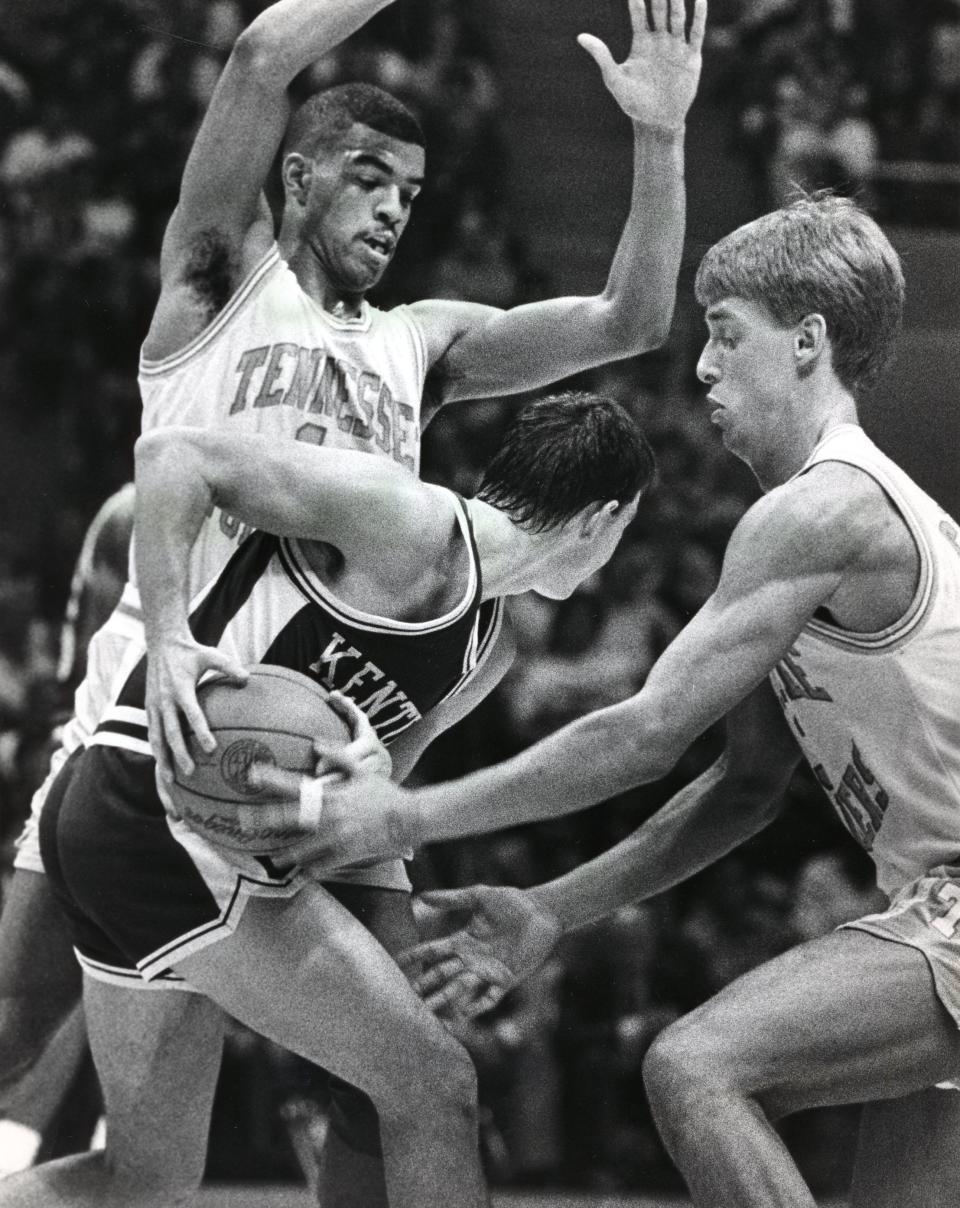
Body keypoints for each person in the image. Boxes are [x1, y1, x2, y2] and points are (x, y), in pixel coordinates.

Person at [0, 0, 705, 1196]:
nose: (392, 208)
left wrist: (660, 135)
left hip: (327, 733)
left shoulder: (418, 347)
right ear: (299, 173)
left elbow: (628, 320)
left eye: (414, 193)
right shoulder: (218, 275)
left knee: (411, 1075)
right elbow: (266, 52)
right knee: (31, 1060)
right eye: (370, 177)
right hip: (166, 695)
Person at [282, 193, 960, 1208]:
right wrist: (552, 910)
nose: (702, 368)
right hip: (927, 902)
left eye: (728, 337)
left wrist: (408, 812)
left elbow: (644, 732)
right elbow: (742, 788)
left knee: (698, 1066)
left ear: (809, 341)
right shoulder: (834, 522)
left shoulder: (821, 509)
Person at [0, 389, 655, 1208]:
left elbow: (379, 796)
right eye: (625, 533)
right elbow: (174, 457)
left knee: (144, 1180)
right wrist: (169, 635)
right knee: (435, 1085)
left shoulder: (491, 645)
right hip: (154, 803)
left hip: (168, 837)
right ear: (601, 519)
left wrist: (368, 814)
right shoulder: (406, 518)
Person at [0, 484, 132, 1176]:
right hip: (92, 752)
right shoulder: (131, 512)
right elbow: (88, 674)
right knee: (29, 1010)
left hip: (134, 771)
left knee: (107, 993)